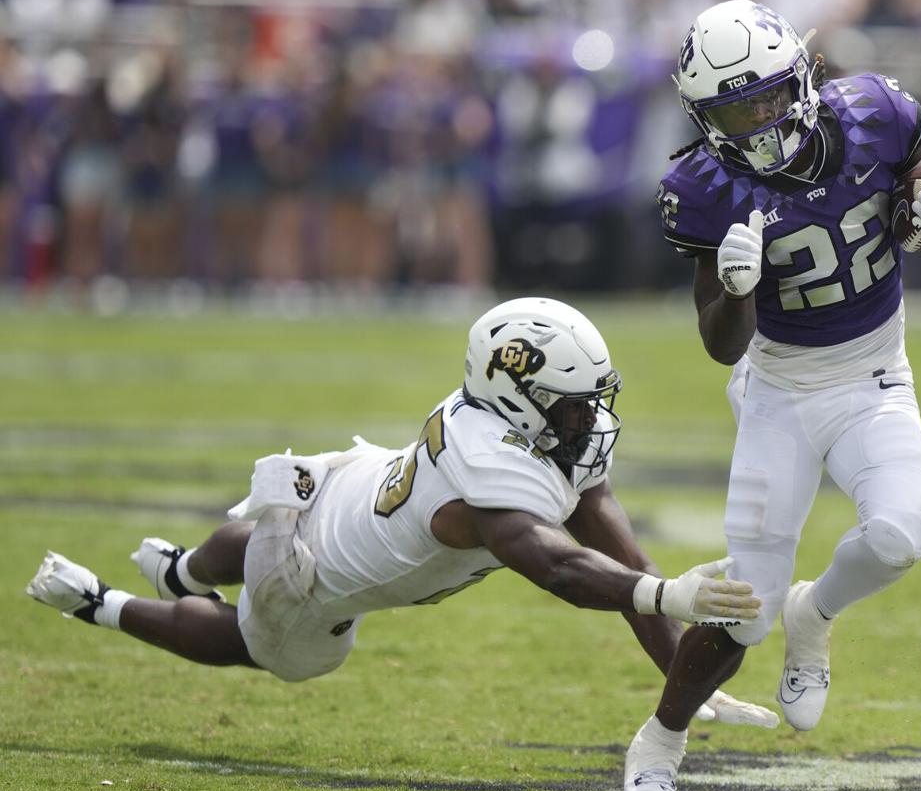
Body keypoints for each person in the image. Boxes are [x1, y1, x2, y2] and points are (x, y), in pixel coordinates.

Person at [26, 297, 775, 729]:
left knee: (256, 534)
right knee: (265, 649)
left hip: (334, 482)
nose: (587, 419)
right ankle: (102, 603)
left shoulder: (513, 424)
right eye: (572, 405)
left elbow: (629, 562)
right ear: (517, 397)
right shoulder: (490, 469)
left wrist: (685, 679)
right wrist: (669, 599)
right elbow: (559, 567)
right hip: (312, 575)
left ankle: (184, 567)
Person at [626, 0, 921, 791]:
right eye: (736, 109)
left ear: (802, 77)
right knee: (742, 609)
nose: (760, 120)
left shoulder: (874, 113)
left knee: (904, 534)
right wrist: (736, 290)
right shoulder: (702, 186)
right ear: (705, 117)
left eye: (767, 96)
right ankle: (661, 738)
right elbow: (721, 343)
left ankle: (818, 615)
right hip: (779, 392)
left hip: (876, 376)